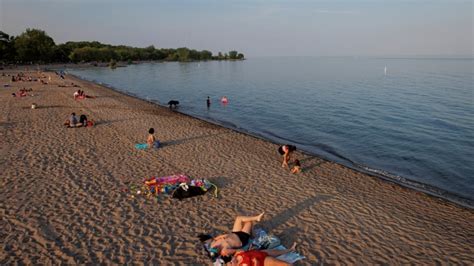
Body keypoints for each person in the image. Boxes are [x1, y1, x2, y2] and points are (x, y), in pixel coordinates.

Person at [199, 212, 265, 259]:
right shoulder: (224, 251)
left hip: (234, 233)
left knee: (238, 218)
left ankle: (257, 218)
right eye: (216, 249)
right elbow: (238, 251)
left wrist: (223, 236)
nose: (216, 247)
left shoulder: (213, 245)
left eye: (213, 248)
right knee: (249, 222)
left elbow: (215, 239)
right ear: (218, 252)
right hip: (242, 238)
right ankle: (252, 232)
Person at [230, 243, 297, 266]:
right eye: (231, 264)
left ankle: (291, 249)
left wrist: (250, 249)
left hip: (260, 252)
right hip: (262, 260)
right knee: (284, 264)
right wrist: (256, 263)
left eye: (230, 262)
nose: (231, 261)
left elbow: (245, 252)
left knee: (276, 251)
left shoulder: (237, 255)